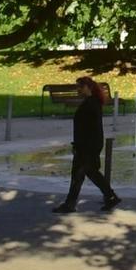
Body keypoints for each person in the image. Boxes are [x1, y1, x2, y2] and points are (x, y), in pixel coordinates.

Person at [53, 77, 121, 213]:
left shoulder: (91, 104)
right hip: (88, 145)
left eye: (80, 87)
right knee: (89, 173)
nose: (78, 89)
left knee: (79, 174)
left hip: (87, 146)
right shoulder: (91, 103)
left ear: (88, 87)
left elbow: (89, 128)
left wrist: (79, 146)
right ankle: (110, 196)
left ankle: (70, 204)